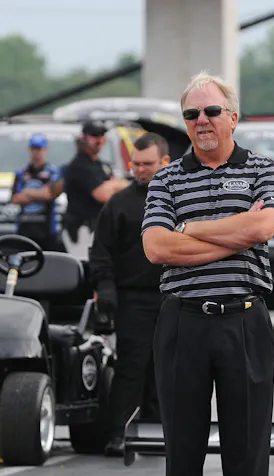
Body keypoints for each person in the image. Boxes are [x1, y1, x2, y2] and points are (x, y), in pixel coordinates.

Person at [140, 72, 274, 476]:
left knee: (247, 454)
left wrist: (192, 228)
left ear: (233, 117)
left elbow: (261, 229)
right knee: (182, 453)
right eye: (191, 114)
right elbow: (157, 248)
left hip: (244, 322)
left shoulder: (262, 169)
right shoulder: (166, 178)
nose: (201, 121)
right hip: (182, 325)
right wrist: (230, 232)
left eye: (210, 111)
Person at [89, 132, 171, 457]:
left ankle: (162, 430)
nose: (139, 170)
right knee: (132, 366)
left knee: (169, 367)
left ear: (165, 162)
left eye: (147, 164)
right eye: (135, 164)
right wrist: (105, 288)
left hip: (174, 296)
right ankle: (120, 432)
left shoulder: (180, 200)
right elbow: (101, 252)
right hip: (134, 297)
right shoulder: (119, 204)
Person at [62, 120, 129, 241]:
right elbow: (103, 195)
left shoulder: (101, 165)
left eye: (101, 135)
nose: (99, 140)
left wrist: (113, 185)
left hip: (100, 226)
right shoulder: (79, 165)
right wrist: (115, 185)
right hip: (81, 230)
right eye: (94, 136)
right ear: (84, 138)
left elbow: (120, 190)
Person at [10, 133, 65, 251]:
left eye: (39, 149)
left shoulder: (53, 172)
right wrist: (38, 194)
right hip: (25, 229)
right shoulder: (21, 173)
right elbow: (15, 199)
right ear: (29, 149)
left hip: (46, 230)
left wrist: (27, 193)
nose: (36, 152)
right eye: (34, 148)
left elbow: (49, 194)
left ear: (45, 150)